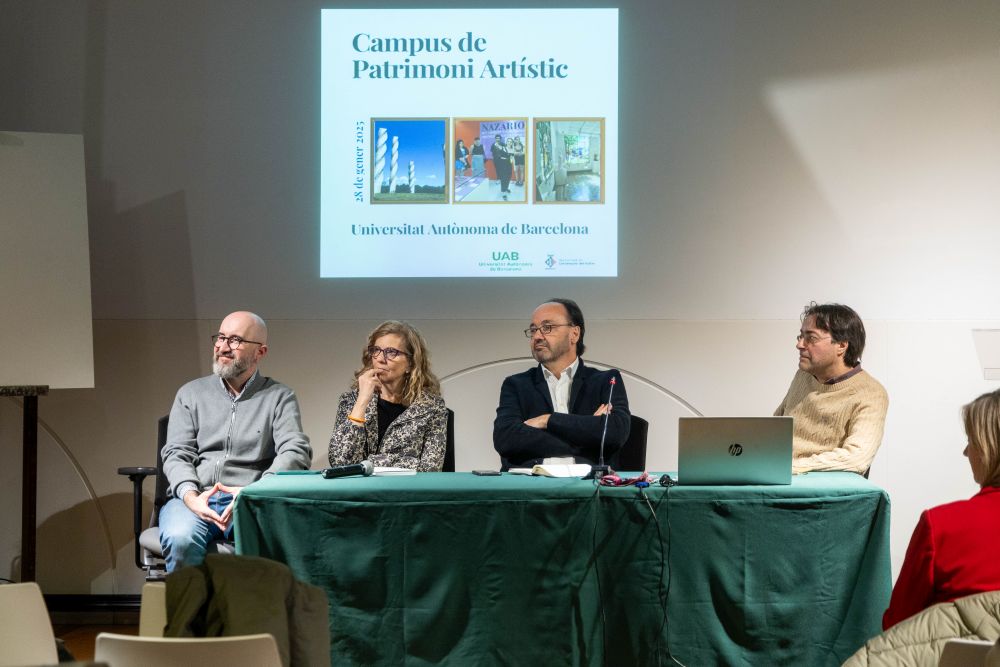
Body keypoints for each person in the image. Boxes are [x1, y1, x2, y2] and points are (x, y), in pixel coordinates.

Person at [159, 311, 312, 572]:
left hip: (249, 500)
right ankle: (192, 614)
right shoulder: (191, 393)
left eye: (235, 340)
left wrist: (254, 493)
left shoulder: (279, 397)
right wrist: (191, 495)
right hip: (197, 497)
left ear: (260, 352)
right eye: (220, 337)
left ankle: (249, 613)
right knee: (180, 540)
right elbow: (176, 453)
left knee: (266, 551)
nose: (223, 347)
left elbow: (295, 451)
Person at [881, 389, 1000, 629]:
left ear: (989, 449)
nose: (966, 452)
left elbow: (897, 627)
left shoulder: (941, 526)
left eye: (971, 441)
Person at [493, 298, 630, 471]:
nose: (537, 336)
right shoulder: (516, 385)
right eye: (533, 329)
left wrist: (547, 420)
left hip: (589, 486)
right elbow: (505, 439)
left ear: (574, 334)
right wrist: (587, 433)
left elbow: (615, 433)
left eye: (547, 327)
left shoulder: (606, 380)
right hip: (531, 486)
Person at [774, 302, 888, 474]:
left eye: (811, 338)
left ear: (842, 345)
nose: (800, 345)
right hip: (783, 476)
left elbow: (857, 458)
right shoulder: (803, 376)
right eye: (800, 336)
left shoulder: (871, 393)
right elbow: (775, 428)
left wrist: (793, 467)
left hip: (824, 490)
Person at [328, 321, 448, 471]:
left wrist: (368, 462)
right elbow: (340, 462)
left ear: (410, 363)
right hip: (360, 491)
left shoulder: (431, 408)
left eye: (391, 352)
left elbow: (430, 468)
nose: (380, 359)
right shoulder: (351, 400)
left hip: (406, 491)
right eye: (376, 350)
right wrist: (362, 401)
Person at [491, 133, 513, 200]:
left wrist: (511, 162)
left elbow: (512, 157)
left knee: (508, 176)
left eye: (511, 141)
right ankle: (503, 192)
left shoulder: (512, 149)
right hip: (502, 163)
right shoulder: (502, 147)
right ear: (506, 142)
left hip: (509, 164)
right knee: (503, 177)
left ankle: (506, 188)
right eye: (508, 141)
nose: (509, 142)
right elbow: (496, 151)